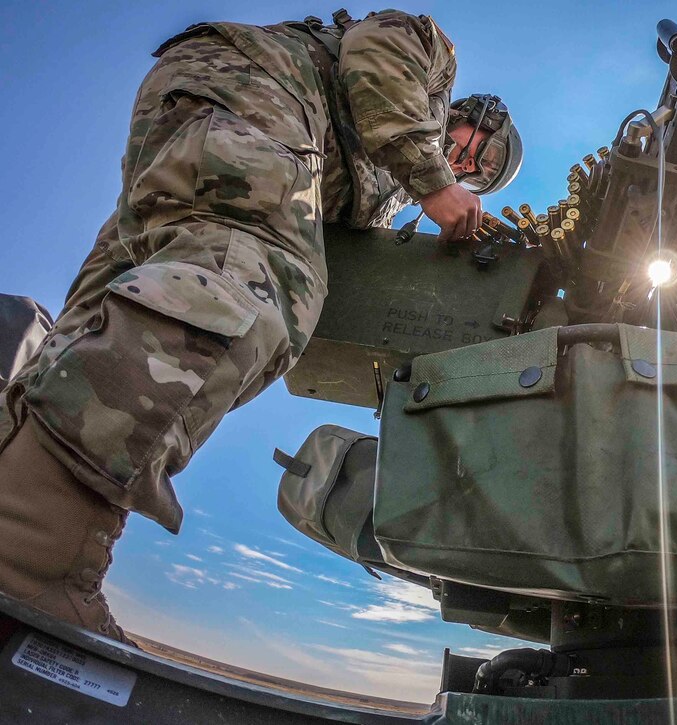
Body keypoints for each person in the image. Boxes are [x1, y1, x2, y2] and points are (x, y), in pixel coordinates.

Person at [0, 8, 522, 641]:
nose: (468, 168)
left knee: (84, 330)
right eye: (477, 150)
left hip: (207, 127)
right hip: (255, 101)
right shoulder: (427, 63)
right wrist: (434, 179)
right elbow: (377, 51)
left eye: (479, 176)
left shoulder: (375, 185)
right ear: (470, 114)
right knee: (253, 288)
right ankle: (28, 563)